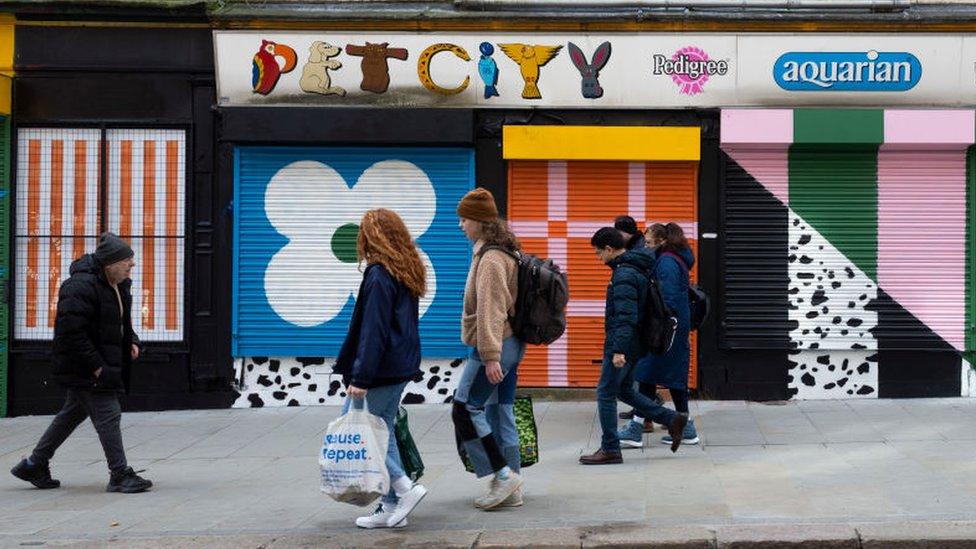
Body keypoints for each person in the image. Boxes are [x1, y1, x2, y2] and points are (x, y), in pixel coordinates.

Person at [10, 233, 151, 493]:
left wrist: (131, 340)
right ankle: (119, 474)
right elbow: (71, 332)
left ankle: (34, 464)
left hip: (100, 362)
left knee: (72, 413)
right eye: (127, 261)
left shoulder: (117, 284)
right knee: (109, 414)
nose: (132, 265)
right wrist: (96, 366)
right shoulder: (79, 287)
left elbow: (119, 322)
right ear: (110, 263)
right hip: (87, 366)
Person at [333, 208, 429, 529]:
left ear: (370, 236)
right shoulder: (404, 269)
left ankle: (404, 488)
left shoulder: (378, 274)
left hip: (381, 369)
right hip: (398, 365)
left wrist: (360, 377)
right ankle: (390, 506)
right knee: (381, 430)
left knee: (368, 435)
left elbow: (373, 330)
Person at [580, 227, 688, 465]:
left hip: (624, 343)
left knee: (606, 393)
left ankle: (610, 448)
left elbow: (626, 315)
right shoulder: (637, 266)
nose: (598, 258)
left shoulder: (624, 274)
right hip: (636, 342)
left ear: (609, 249)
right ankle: (671, 418)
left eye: (599, 253)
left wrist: (618, 349)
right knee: (625, 390)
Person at [453, 187, 526, 510]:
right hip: (508, 343)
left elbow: (490, 310)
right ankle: (512, 485)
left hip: (496, 345)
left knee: (465, 408)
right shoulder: (498, 252)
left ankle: (503, 474)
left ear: (481, 222)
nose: (460, 225)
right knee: (501, 412)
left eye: (465, 219)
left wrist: (490, 356)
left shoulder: (492, 259)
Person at [619, 223, 700, 448]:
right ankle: (686, 427)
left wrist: (654, 319)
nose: (646, 246)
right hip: (671, 326)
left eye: (648, 242)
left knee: (646, 373)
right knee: (665, 376)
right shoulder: (673, 258)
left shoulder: (666, 262)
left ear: (662, 241)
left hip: (664, 328)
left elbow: (668, 297)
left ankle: (637, 427)